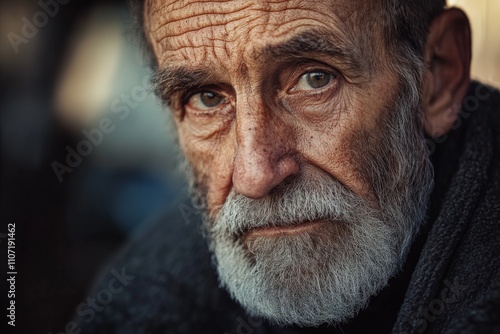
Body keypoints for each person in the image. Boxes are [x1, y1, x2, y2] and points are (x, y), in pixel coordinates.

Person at [77, 1, 500, 333]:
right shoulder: (144, 299)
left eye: (314, 78)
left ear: (438, 75)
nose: (255, 174)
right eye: (207, 98)